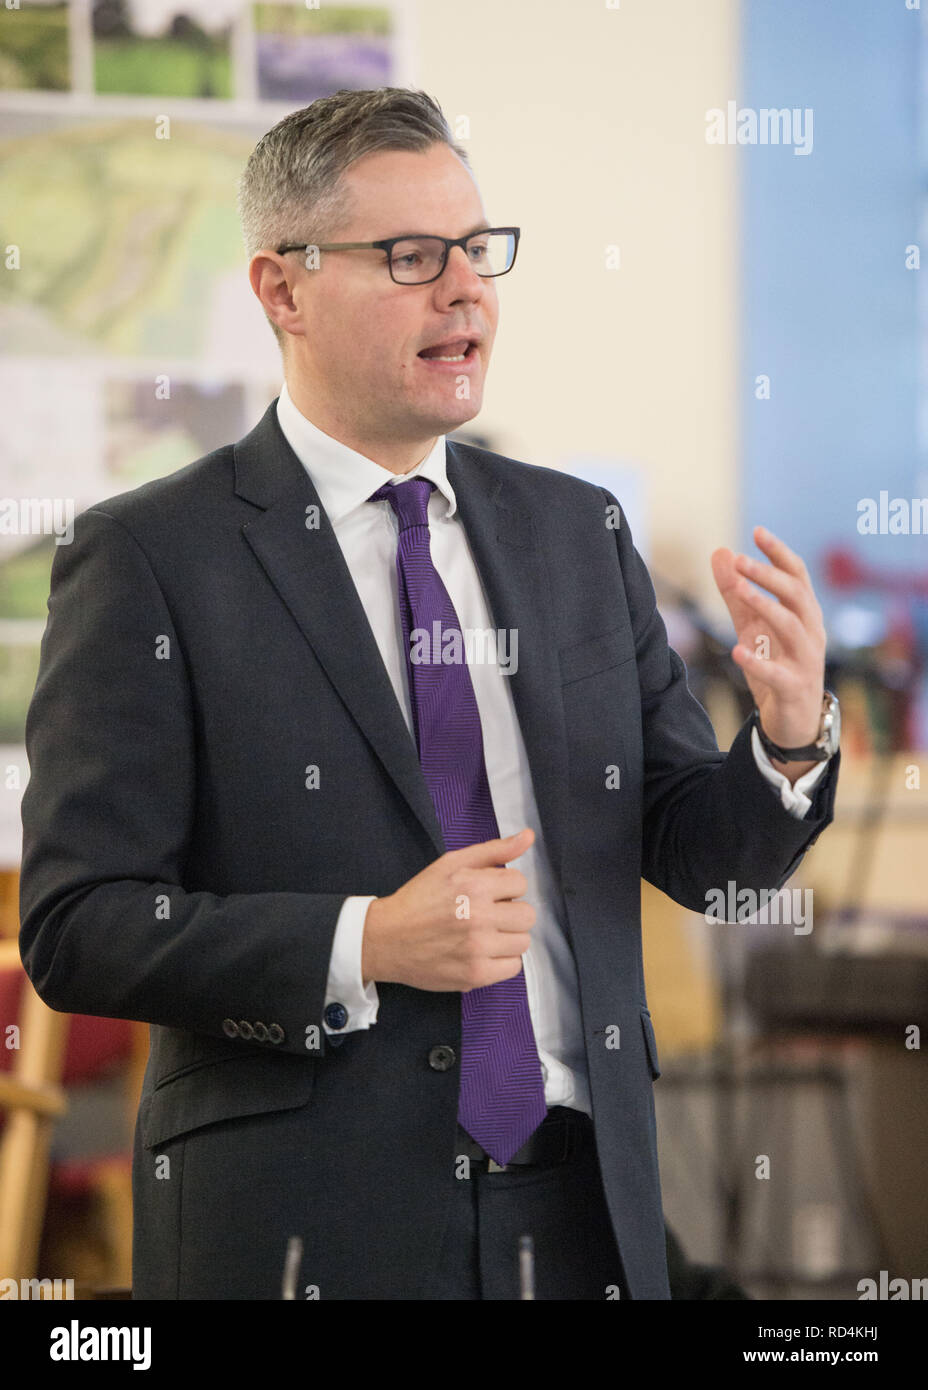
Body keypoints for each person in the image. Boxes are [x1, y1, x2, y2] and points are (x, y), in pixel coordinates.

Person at [19, 87, 840, 1300]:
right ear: (281, 289)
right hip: (304, 1214)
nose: (466, 289)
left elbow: (702, 858)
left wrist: (782, 739)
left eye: (478, 249)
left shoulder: (575, 532)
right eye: (410, 257)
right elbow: (79, 925)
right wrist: (368, 940)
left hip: (580, 1203)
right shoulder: (150, 557)